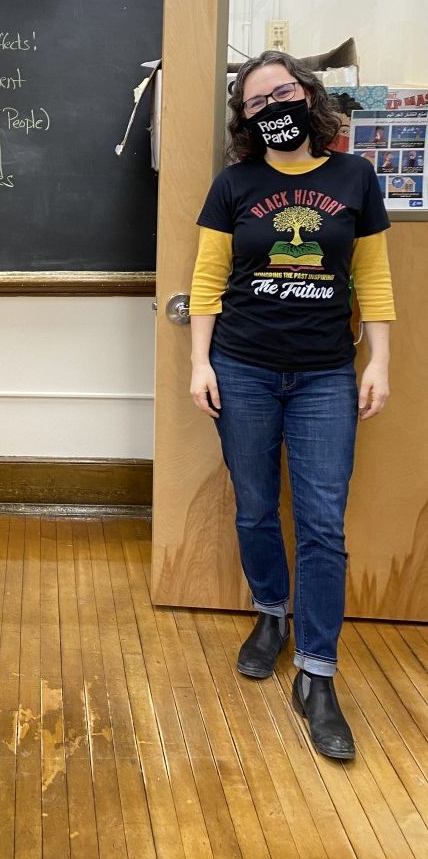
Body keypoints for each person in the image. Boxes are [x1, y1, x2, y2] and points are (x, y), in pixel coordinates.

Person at [189, 51, 394, 761]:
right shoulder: (234, 185)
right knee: (252, 507)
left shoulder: (354, 178)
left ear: (308, 96)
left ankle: (318, 673)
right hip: (241, 369)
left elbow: (373, 276)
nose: (273, 107)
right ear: (246, 119)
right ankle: (270, 614)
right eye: (256, 102)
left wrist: (381, 362)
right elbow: (209, 279)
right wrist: (198, 365)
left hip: (324, 377)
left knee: (321, 525)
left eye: (283, 92)